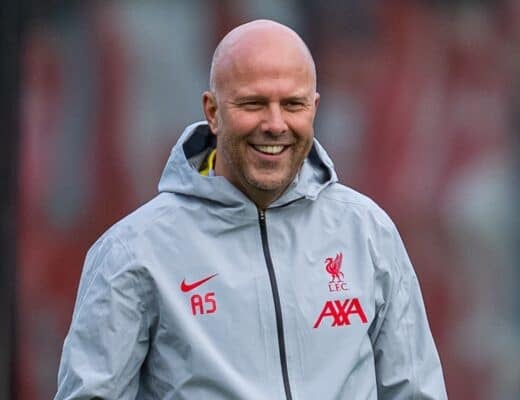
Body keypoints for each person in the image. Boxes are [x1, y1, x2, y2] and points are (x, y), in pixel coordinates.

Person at [55, 19, 447, 399]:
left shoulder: (368, 233)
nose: (275, 124)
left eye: (292, 104)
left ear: (314, 107)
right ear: (212, 111)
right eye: (254, 103)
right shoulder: (132, 251)